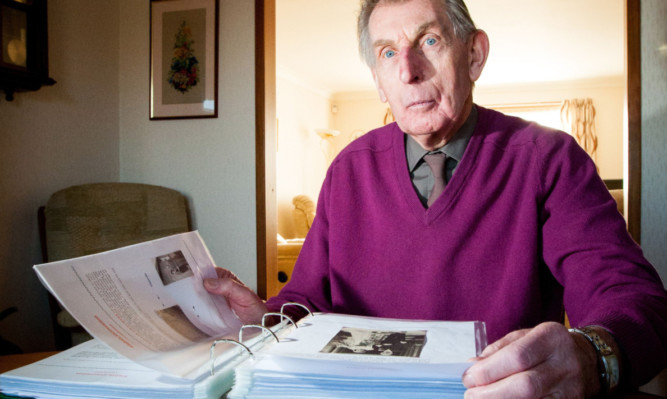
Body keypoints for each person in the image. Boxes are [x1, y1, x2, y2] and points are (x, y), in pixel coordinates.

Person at [204, 0, 667, 397]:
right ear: (379, 81)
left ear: (474, 55)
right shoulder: (347, 169)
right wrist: (268, 319)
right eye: (388, 53)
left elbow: (632, 299)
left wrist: (590, 353)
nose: (408, 70)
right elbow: (307, 298)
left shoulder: (549, 158)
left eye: (428, 42)